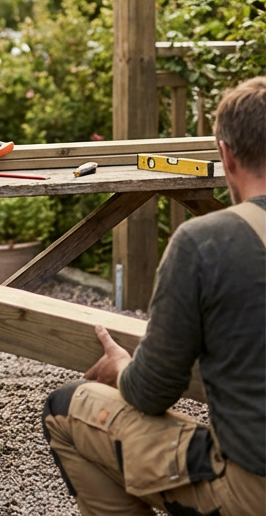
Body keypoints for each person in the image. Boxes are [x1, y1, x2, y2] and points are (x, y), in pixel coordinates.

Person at [41, 76, 266, 516]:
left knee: (63, 408)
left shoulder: (205, 242)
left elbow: (152, 392)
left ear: (226, 155)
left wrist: (121, 365)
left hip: (251, 492)